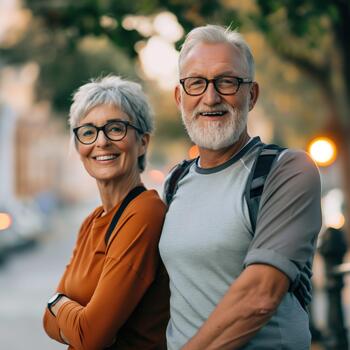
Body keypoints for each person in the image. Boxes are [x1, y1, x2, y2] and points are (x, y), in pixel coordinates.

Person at [159, 25, 321, 350]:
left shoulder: (287, 170)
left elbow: (259, 296)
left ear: (252, 94)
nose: (211, 96)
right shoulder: (174, 182)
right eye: (196, 83)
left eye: (227, 81)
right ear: (180, 97)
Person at [43, 76, 169, 350]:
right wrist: (67, 314)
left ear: (143, 142)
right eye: (88, 132)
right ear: (79, 147)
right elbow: (46, 322)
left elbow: (90, 336)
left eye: (115, 129)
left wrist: (57, 303)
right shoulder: (91, 222)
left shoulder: (145, 213)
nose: (101, 142)